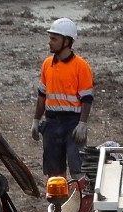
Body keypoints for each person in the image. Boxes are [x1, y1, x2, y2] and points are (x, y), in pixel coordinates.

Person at [30, 18, 94, 181]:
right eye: (50, 38)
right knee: (54, 174)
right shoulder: (47, 64)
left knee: (78, 171)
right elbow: (42, 96)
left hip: (72, 124)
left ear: (66, 41)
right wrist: (36, 120)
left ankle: (79, 205)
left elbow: (87, 98)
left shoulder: (81, 66)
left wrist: (82, 124)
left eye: (54, 39)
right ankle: (59, 206)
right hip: (51, 124)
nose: (49, 42)